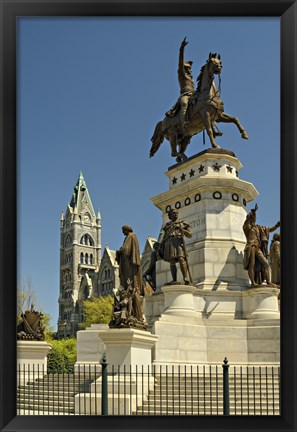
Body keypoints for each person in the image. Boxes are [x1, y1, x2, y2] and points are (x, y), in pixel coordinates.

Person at [243, 204, 280, 286]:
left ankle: (268, 282)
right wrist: (253, 212)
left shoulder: (259, 228)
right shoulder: (247, 228)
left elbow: (270, 229)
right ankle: (253, 283)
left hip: (258, 248)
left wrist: (277, 225)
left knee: (266, 264)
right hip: (251, 247)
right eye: (252, 218)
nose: (253, 219)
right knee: (251, 265)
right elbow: (247, 221)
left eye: (254, 218)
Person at [160, 208, 192, 285]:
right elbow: (164, 237)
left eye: (176, 213)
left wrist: (183, 231)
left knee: (181, 259)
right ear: (170, 215)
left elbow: (190, 234)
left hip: (178, 242)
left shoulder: (182, 223)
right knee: (172, 261)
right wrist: (161, 246)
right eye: (173, 213)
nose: (175, 214)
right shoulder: (167, 226)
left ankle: (185, 277)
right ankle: (174, 279)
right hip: (169, 243)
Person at [115, 225, 143, 294]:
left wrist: (119, 251)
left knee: (131, 277)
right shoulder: (127, 237)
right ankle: (127, 289)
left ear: (127, 230)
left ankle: (132, 289)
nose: (122, 232)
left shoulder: (131, 236)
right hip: (126, 261)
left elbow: (126, 250)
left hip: (129, 262)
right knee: (126, 277)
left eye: (123, 231)